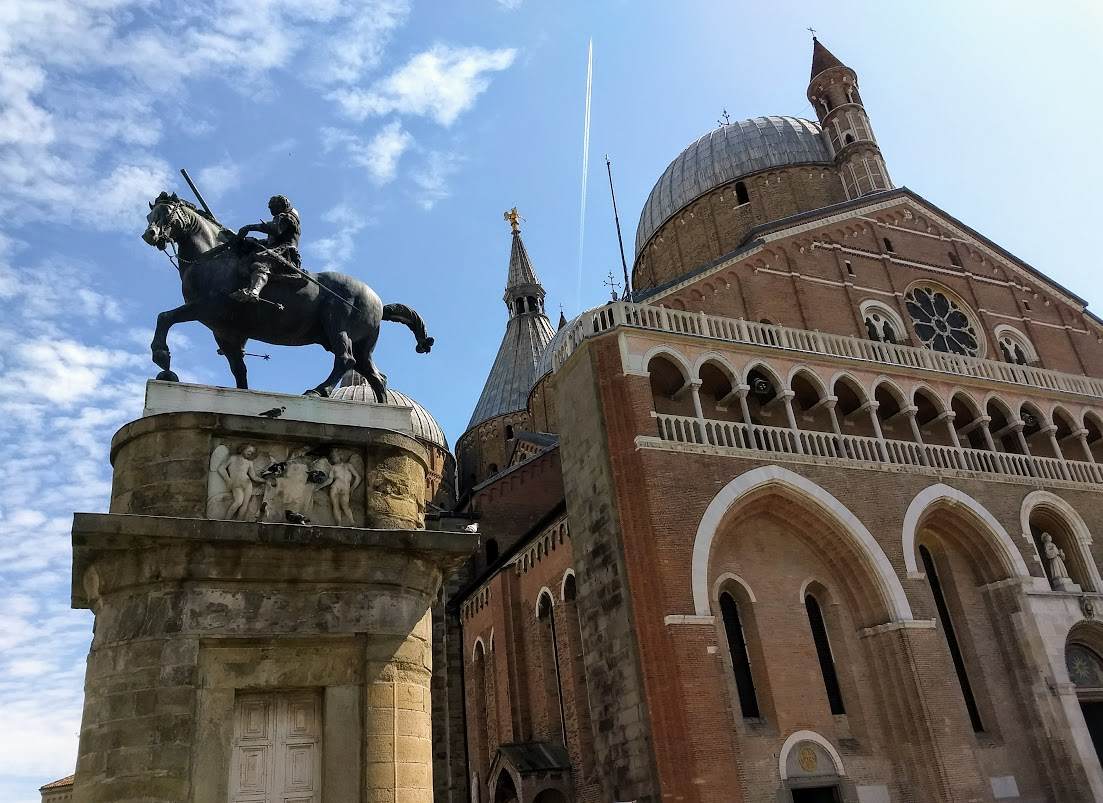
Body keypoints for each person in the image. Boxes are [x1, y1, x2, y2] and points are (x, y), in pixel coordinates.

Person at [231, 195, 303, 302]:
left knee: (261, 264)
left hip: (285, 252)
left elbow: (275, 230)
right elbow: (272, 241)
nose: (271, 210)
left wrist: (250, 227)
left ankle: (253, 292)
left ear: (281, 205)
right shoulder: (281, 217)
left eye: (273, 207)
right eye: (270, 207)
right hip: (276, 248)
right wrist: (254, 241)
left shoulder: (288, 218)